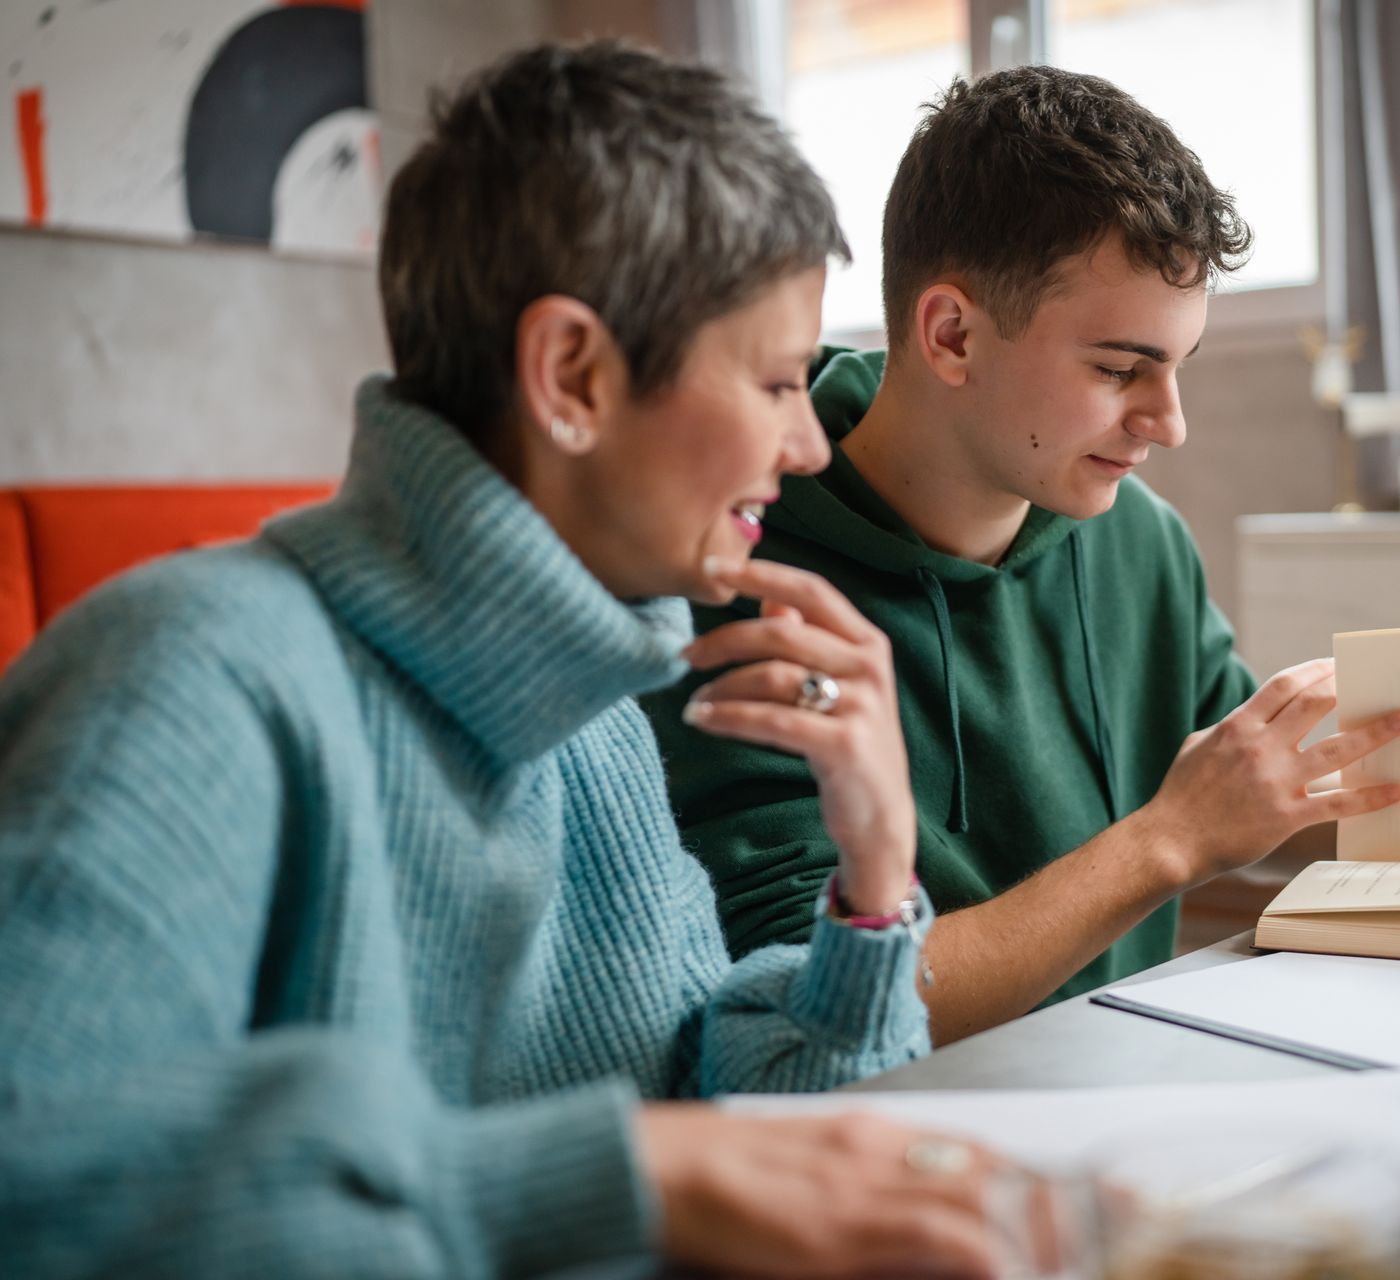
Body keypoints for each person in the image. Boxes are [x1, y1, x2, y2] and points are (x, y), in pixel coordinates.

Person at [0, 44, 1006, 1279]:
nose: (805, 444)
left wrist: (871, 886)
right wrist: (620, 1175)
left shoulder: (592, 711)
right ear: (573, 375)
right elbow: (35, 1182)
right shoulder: (183, 677)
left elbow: (716, 1118)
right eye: (778, 381)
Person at [646, 65, 1400, 1047]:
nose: (1167, 424)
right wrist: (1167, 841)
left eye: (1176, 368)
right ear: (953, 334)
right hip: (901, 1149)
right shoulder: (736, 575)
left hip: (1131, 1094)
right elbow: (811, 1013)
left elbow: (1266, 786)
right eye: (1118, 369)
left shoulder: (1141, 539)